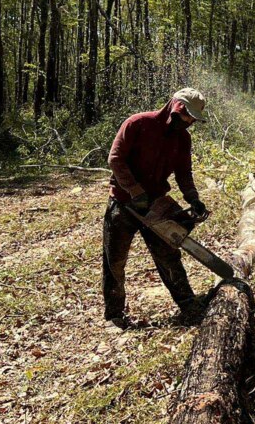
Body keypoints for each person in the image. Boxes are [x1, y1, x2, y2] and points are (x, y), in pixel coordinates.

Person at [103, 88, 209, 330]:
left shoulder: (183, 139)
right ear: (176, 109)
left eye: (193, 119)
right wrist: (135, 191)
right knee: (115, 261)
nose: (190, 122)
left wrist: (193, 198)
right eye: (188, 117)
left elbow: (184, 172)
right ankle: (114, 314)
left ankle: (188, 304)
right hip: (123, 203)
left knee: (169, 256)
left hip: (156, 204)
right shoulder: (138, 124)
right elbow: (115, 159)